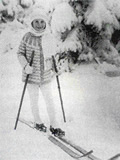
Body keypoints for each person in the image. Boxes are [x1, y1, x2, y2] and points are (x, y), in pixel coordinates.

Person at [17, 9, 65, 137]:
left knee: (50, 100)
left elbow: (53, 55)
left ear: (45, 23)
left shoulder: (49, 37)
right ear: (32, 23)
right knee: (34, 100)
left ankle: (54, 125)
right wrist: (26, 66)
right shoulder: (27, 37)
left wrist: (56, 68)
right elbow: (20, 53)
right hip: (31, 75)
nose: (39, 24)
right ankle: (38, 121)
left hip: (45, 75)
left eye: (42, 21)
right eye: (36, 21)